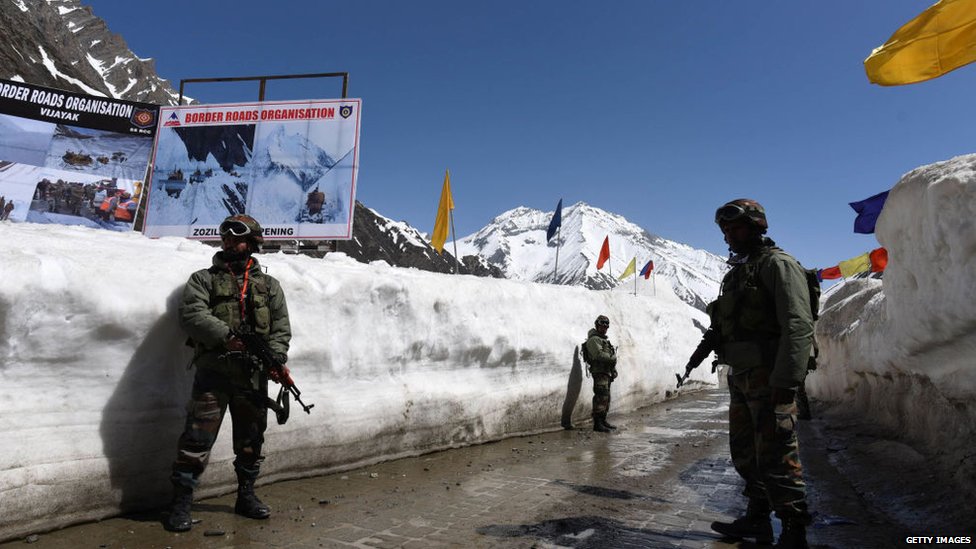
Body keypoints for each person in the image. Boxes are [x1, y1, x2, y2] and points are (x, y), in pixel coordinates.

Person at [164, 214, 292, 532]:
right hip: (214, 374)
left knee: (251, 441)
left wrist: (275, 356)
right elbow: (192, 314)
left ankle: (245, 495)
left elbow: (281, 327)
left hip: (253, 377)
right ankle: (181, 503)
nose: (229, 241)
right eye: (225, 236)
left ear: (252, 242)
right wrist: (226, 336)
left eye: (237, 236)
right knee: (196, 441)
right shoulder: (203, 279)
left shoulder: (269, 286)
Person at [707, 199, 814, 549]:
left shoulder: (778, 266)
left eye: (735, 228)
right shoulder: (738, 272)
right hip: (742, 377)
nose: (729, 236)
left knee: (778, 455)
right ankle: (757, 518)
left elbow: (798, 326)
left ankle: (794, 530)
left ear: (756, 226)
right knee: (746, 453)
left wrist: (786, 381)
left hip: (771, 377)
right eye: (725, 230)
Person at [584, 315, 618, 433]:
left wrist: (613, 370)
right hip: (599, 372)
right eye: (602, 325)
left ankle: (603, 420)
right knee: (600, 397)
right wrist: (613, 357)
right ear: (597, 325)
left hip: (606, 372)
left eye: (606, 326)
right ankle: (597, 423)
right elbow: (598, 355)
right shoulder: (594, 340)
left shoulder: (602, 340)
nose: (604, 328)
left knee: (606, 397)